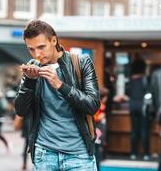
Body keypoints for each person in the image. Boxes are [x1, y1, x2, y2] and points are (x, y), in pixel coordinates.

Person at [14, 19, 100, 170]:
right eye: (31, 49)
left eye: (41, 47)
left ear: (54, 40)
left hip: (79, 156)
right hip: (44, 155)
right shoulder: (32, 67)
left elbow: (92, 105)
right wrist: (29, 82)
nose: (37, 54)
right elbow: (20, 110)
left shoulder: (81, 62)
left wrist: (60, 85)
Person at [128, 58, 151, 161]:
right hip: (143, 107)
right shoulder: (145, 79)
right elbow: (149, 94)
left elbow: (127, 94)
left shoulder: (130, 80)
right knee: (144, 130)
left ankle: (133, 153)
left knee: (134, 131)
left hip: (132, 106)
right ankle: (146, 154)